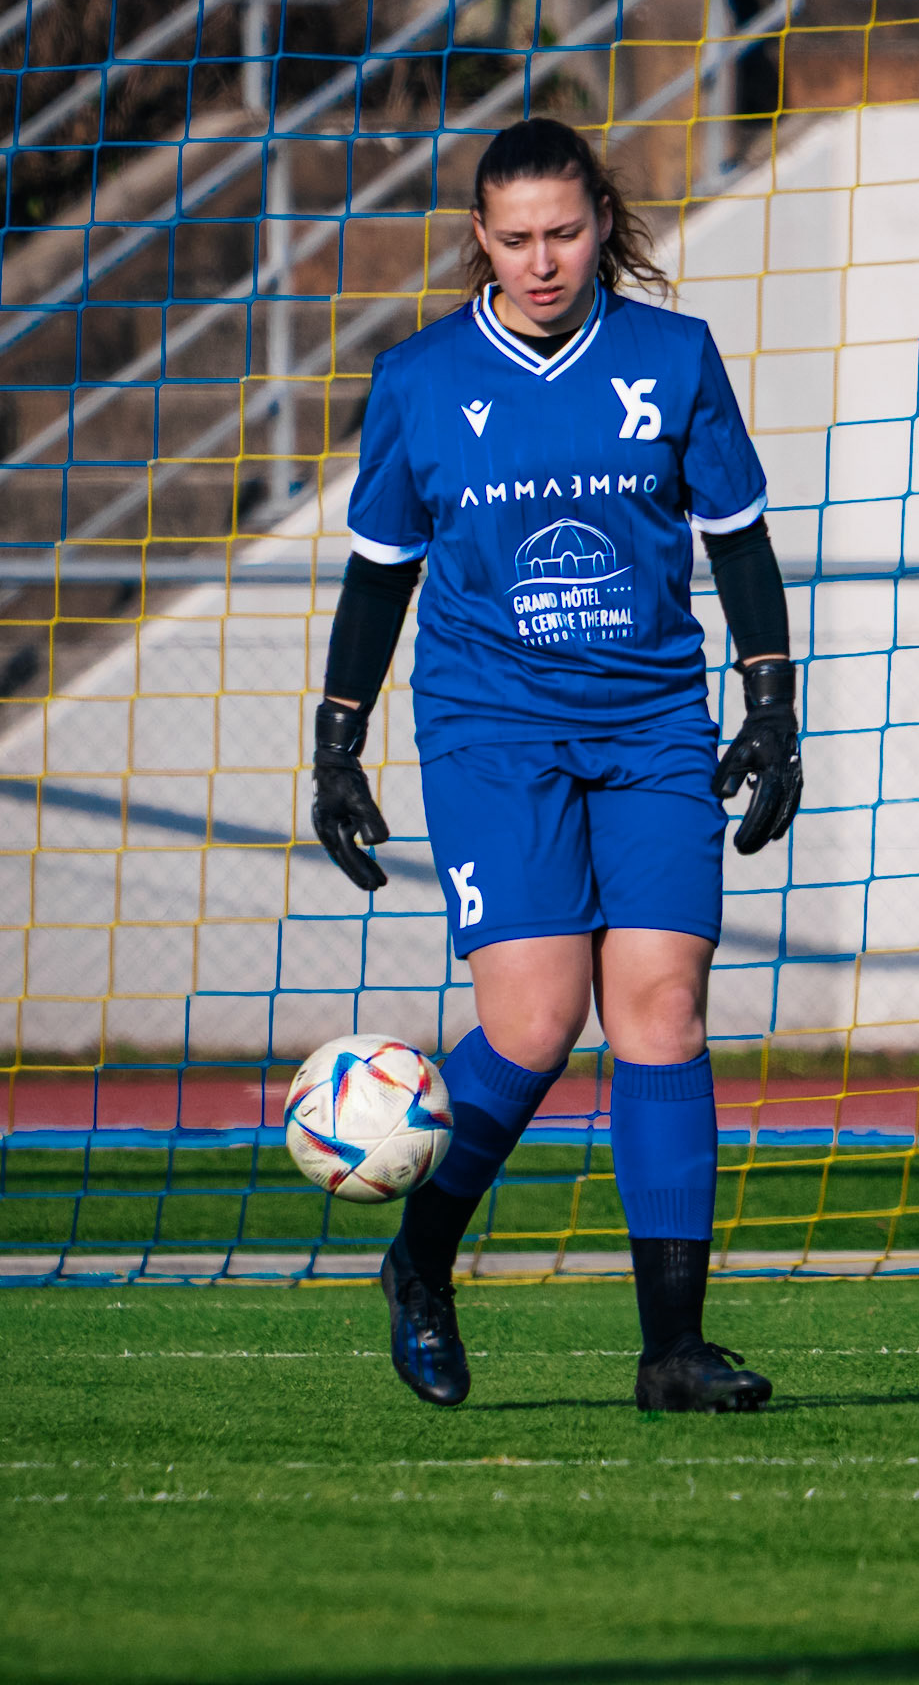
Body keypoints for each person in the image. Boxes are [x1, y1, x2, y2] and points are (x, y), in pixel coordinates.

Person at [311, 116, 803, 1413]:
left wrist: (769, 704)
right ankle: (421, 1258)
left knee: (661, 1008)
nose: (542, 261)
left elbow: (739, 542)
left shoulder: (671, 358)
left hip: (649, 722)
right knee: (534, 1021)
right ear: (481, 238)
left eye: (566, 234)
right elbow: (379, 575)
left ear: (602, 225)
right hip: (492, 728)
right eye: (517, 238)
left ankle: (671, 1352)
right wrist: (337, 740)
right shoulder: (419, 379)